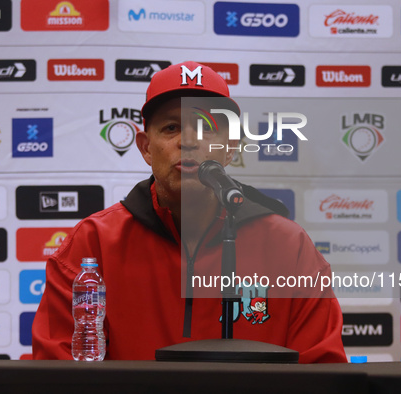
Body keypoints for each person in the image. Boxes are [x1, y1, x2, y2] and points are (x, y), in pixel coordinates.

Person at [32, 61, 347, 363]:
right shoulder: (93, 244)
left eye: (206, 127)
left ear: (231, 146)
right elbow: (59, 373)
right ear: (145, 147)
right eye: (171, 127)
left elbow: (322, 373)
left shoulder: (288, 248)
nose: (189, 141)